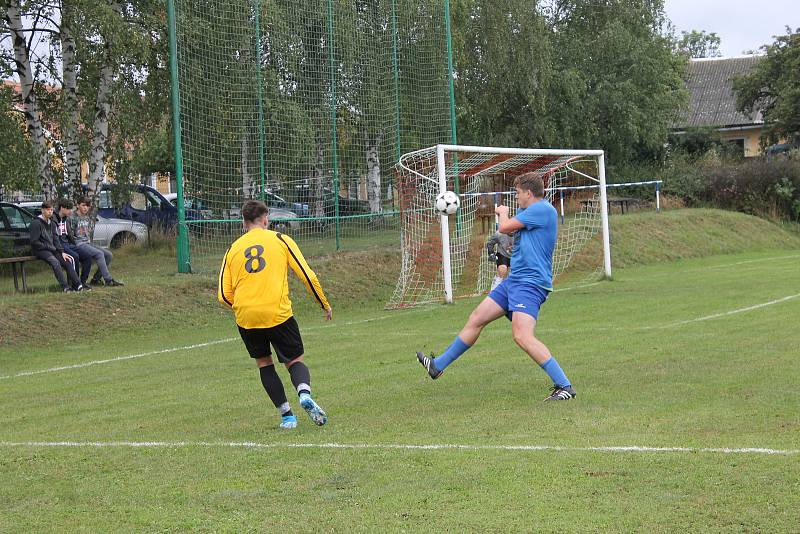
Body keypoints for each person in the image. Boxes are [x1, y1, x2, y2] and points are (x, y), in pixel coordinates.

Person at [416, 172, 576, 401]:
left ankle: (564, 386)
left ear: (529, 193)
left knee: (522, 336)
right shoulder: (527, 212)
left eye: (518, 193)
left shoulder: (543, 210)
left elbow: (504, 227)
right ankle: (437, 365)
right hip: (514, 281)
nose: (517, 197)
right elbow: (512, 234)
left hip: (530, 284)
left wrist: (502, 213)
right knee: (477, 318)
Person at [218, 199, 333, 428]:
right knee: (294, 360)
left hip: (247, 318)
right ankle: (304, 394)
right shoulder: (281, 240)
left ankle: (287, 416)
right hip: (277, 313)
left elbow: (223, 294)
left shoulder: (232, 249)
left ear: (243, 223)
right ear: (266, 220)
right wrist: (324, 304)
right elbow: (307, 275)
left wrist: (243, 307)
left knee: (264, 363)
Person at [29, 201, 85, 292]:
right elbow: (34, 242)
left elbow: (56, 239)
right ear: (42, 210)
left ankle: (78, 285)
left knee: (67, 260)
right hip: (40, 250)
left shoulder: (52, 223)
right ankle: (65, 287)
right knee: (55, 262)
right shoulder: (36, 223)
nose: (50, 212)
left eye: (51, 210)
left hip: (52, 249)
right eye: (48, 210)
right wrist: (48, 246)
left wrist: (61, 252)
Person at [70, 197, 124, 287]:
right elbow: (70, 235)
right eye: (83, 205)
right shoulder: (72, 218)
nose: (85, 208)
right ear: (77, 205)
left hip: (87, 243)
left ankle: (96, 279)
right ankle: (108, 280)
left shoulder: (86, 217)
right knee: (99, 254)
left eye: (87, 206)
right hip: (78, 243)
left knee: (108, 255)